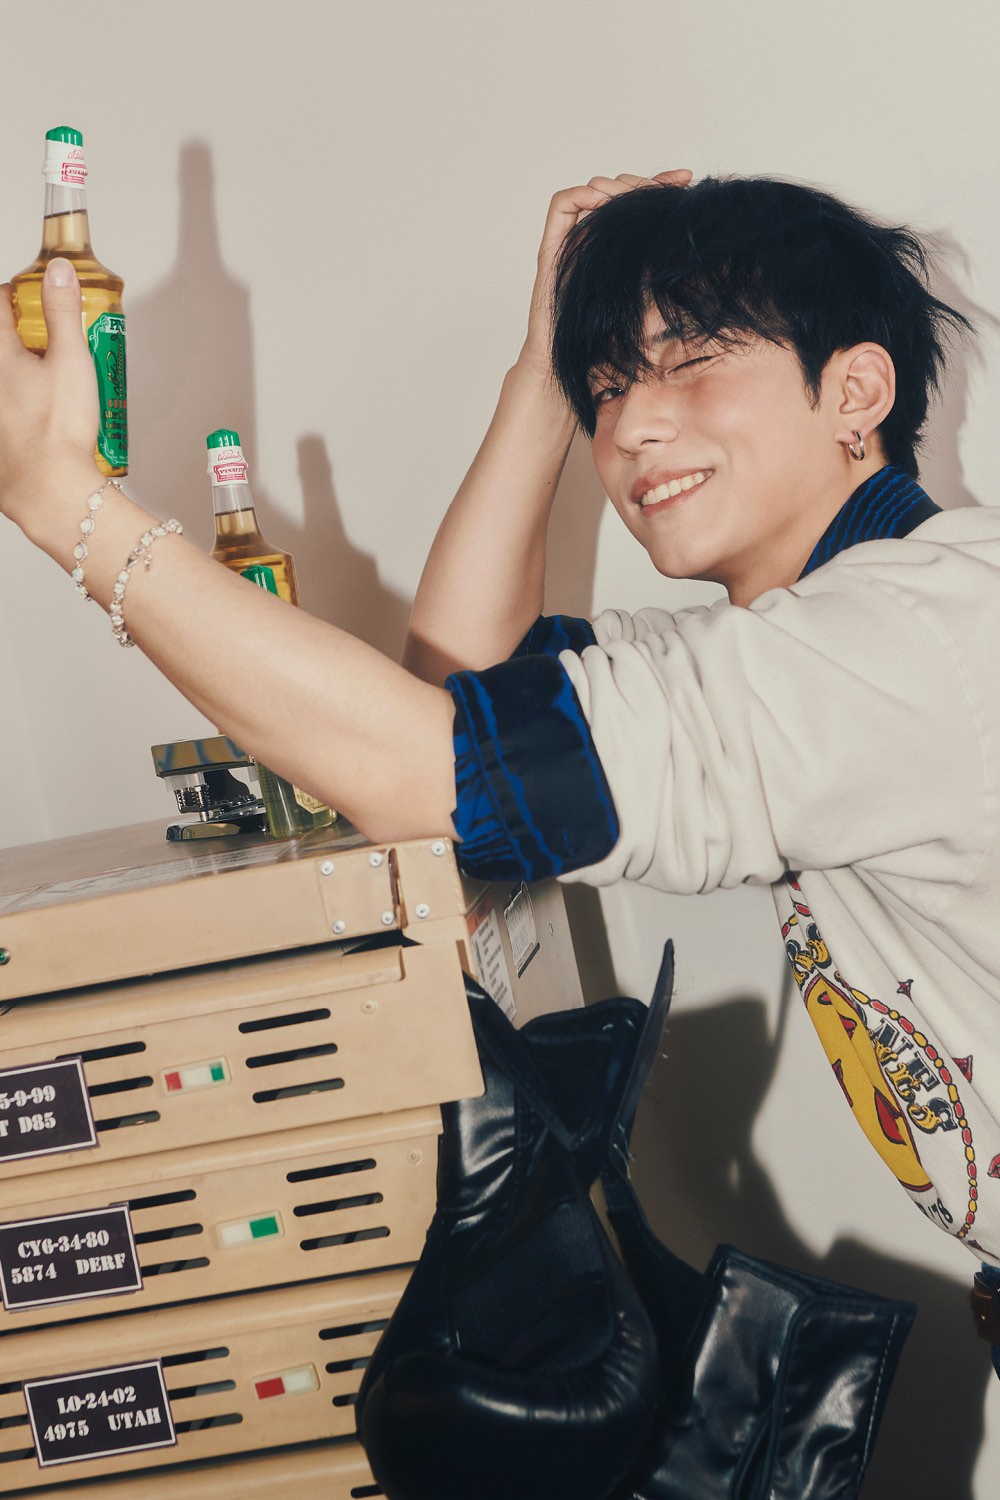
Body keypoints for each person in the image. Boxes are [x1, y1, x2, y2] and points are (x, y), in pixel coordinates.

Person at [1, 171, 998, 1358]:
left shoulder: (912, 638)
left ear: (856, 390)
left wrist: (62, 501)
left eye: (691, 361)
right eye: (607, 386)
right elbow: (454, 684)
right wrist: (542, 372)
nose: (629, 428)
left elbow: (436, 776)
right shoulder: (813, 635)